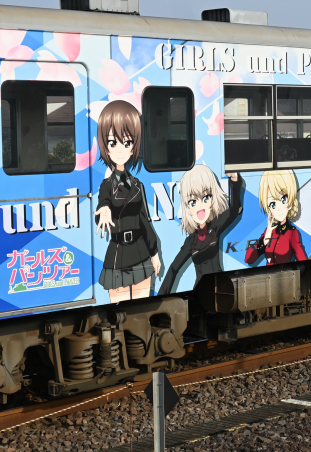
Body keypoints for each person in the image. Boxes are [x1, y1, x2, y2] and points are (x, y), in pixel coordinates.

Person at [94, 100, 160, 302]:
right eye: (113, 143)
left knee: (142, 305)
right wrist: (104, 210)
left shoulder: (138, 185)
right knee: (118, 307)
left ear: (133, 148)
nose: (121, 150)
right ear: (106, 148)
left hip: (140, 250)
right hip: (118, 253)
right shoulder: (106, 185)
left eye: (127, 143)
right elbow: (103, 204)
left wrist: (154, 253)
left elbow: (145, 222)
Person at [157, 167, 242, 295]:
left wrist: (235, 182)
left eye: (206, 198)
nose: (200, 206)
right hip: (201, 292)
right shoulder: (191, 241)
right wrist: (160, 296)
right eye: (192, 202)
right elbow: (174, 268)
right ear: (187, 207)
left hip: (219, 287)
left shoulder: (215, 226)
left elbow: (234, 210)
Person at [245, 169, 306, 265]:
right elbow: (248, 259)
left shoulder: (292, 233)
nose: (279, 209)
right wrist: (265, 239)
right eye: (273, 204)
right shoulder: (269, 231)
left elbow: (302, 260)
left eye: (283, 199)